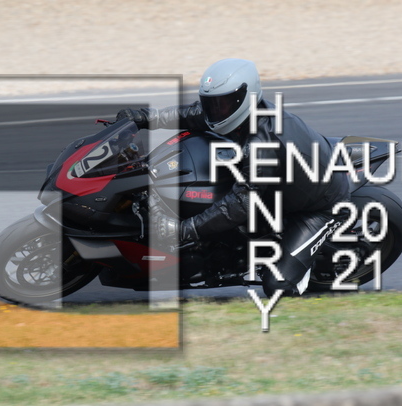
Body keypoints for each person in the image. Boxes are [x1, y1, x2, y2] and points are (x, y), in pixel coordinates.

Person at [116, 58, 349, 297]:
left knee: (277, 286)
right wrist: (142, 117)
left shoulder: (263, 145)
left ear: (246, 97)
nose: (216, 111)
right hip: (278, 186)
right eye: (212, 103)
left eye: (223, 104)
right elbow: (191, 114)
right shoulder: (237, 113)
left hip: (319, 207)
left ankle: (301, 270)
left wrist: (185, 230)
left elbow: (240, 205)